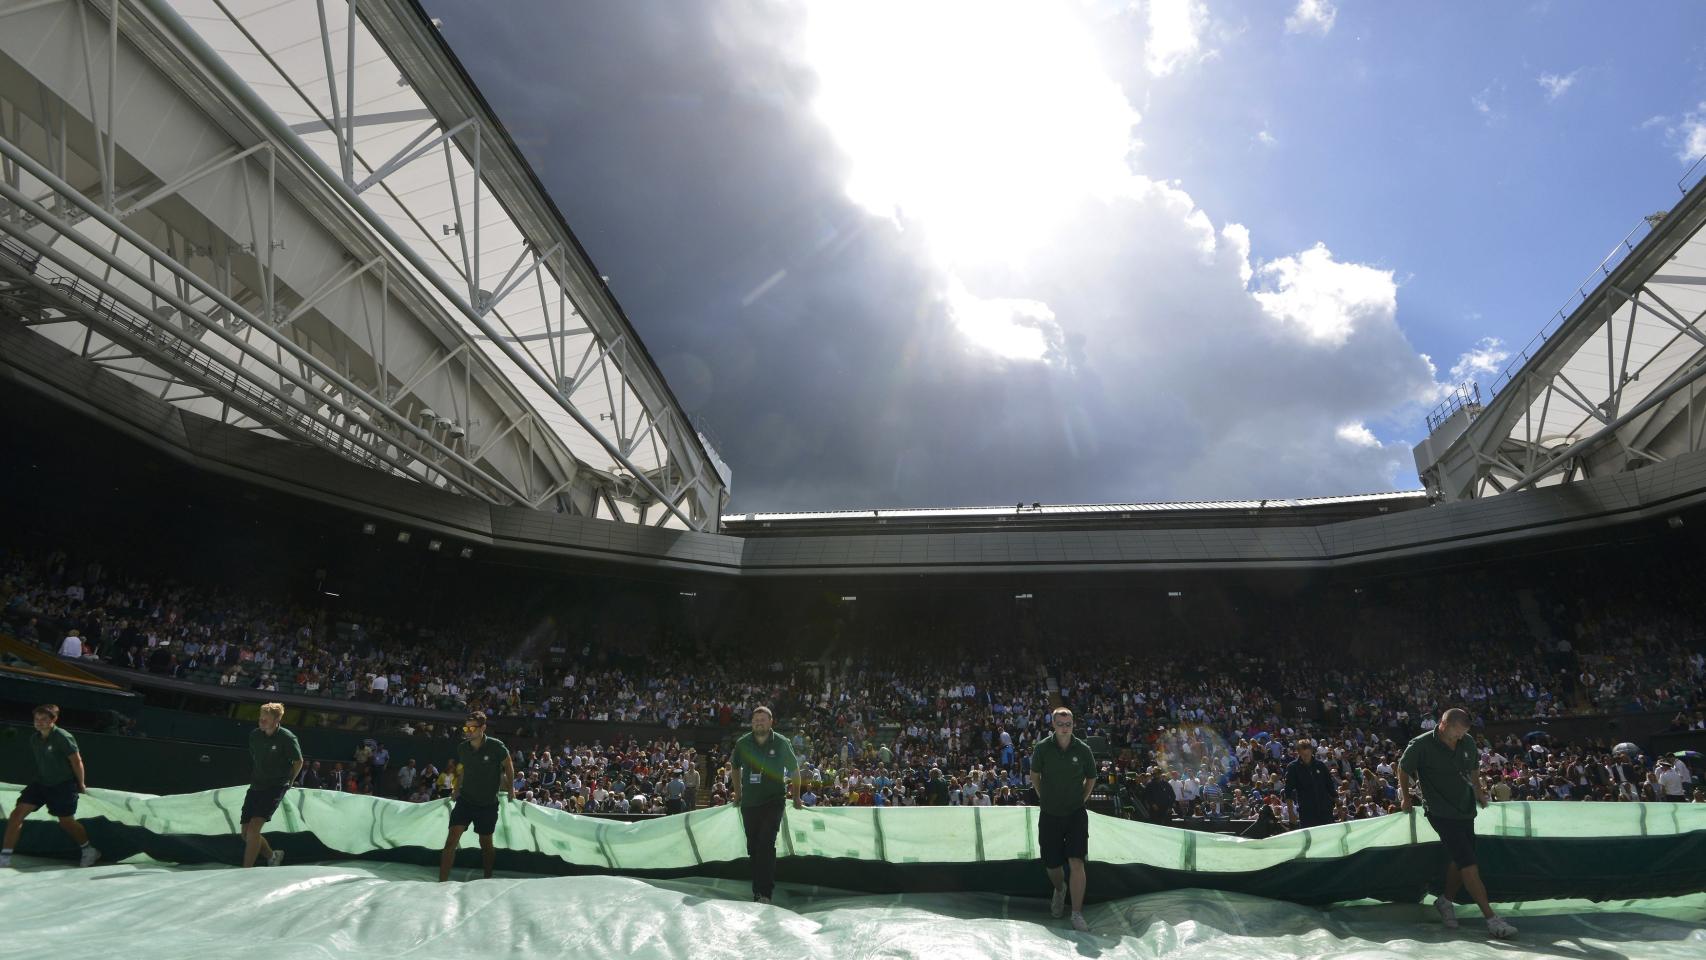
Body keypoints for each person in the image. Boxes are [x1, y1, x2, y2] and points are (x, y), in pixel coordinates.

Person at [1398, 708, 1517, 939]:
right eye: (1457, 732)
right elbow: (1402, 769)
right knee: (1469, 863)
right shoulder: (1420, 745)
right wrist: (1405, 796)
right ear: (1444, 725)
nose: (1461, 736)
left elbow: (1473, 769)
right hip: (1440, 812)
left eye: (1464, 732)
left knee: (1459, 860)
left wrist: (1479, 792)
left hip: (1465, 810)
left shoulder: (1468, 741)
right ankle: (1491, 919)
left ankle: (1446, 901)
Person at [2, 704, 100, 868]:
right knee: (16, 814)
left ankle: (89, 850)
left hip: (63, 785)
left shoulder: (63, 737)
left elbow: (76, 761)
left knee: (66, 822)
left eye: (44, 719)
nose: (39, 722)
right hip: (41, 783)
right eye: (36, 719)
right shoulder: (34, 739)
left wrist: (81, 784)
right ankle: (4, 858)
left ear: (54, 720)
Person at [1031, 707, 1096, 933]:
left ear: (1073, 724)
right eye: (1060, 724)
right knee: (1052, 864)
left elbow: (1091, 777)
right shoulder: (1042, 749)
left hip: (1076, 814)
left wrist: (1083, 798)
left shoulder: (1084, 749)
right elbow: (1034, 775)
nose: (1064, 728)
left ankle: (1076, 914)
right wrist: (1043, 797)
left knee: (1077, 862)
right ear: (1053, 725)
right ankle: (1060, 890)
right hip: (1049, 814)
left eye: (1068, 724)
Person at [731, 705, 802, 904]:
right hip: (750, 803)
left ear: (771, 722)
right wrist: (738, 794)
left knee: (766, 843)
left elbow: (794, 770)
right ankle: (757, 890)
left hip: (774, 801)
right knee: (753, 847)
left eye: (762, 720)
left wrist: (796, 797)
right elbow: (735, 768)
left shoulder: (781, 742)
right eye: (755, 721)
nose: (758, 723)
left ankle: (765, 893)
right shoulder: (743, 743)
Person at [438, 712, 514, 882]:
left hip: (488, 804)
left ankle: (487, 878)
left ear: (483, 728)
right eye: (466, 727)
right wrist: (456, 788)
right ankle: (441, 881)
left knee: (486, 844)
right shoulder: (462, 748)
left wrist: (511, 789)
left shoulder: (497, 746)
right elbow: (464, 769)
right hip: (465, 801)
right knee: (451, 841)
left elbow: (508, 765)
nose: (468, 731)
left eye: (472, 727)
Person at [240, 702, 302, 868]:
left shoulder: (287, 738)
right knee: (246, 833)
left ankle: (245, 871)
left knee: (253, 830)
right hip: (256, 786)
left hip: (275, 786)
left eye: (265, 719)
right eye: (260, 718)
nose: (261, 721)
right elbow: (256, 757)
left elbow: (298, 761)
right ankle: (272, 855)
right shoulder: (254, 735)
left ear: (276, 720)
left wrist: (289, 781)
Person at [1283, 739, 1336, 828]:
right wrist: (1291, 813)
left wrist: (1337, 802)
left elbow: (1330, 785)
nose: (1306, 757)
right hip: (1307, 811)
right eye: (1303, 755)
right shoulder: (1293, 767)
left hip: (1325, 809)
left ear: (1311, 751)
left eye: (1308, 754)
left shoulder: (1321, 765)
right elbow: (1288, 791)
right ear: (1299, 752)